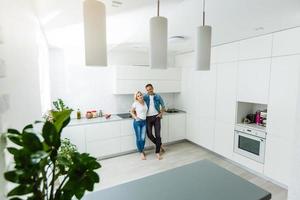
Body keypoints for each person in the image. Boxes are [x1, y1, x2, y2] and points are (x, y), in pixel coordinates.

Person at [144, 84, 165, 160]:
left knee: (158, 135)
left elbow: (163, 106)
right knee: (149, 134)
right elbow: (139, 103)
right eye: (147, 90)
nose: (149, 91)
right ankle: (159, 145)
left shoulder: (158, 96)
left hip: (156, 117)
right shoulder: (145, 97)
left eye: (150, 89)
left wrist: (161, 114)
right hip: (148, 118)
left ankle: (157, 152)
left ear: (153, 88)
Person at [130, 91, 148, 160]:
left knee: (143, 138)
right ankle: (141, 152)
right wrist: (135, 117)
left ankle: (142, 149)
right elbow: (131, 111)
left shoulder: (145, 102)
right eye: (138, 96)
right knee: (139, 138)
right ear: (136, 98)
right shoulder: (135, 103)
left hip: (144, 122)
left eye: (140, 95)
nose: (140, 96)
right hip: (137, 122)